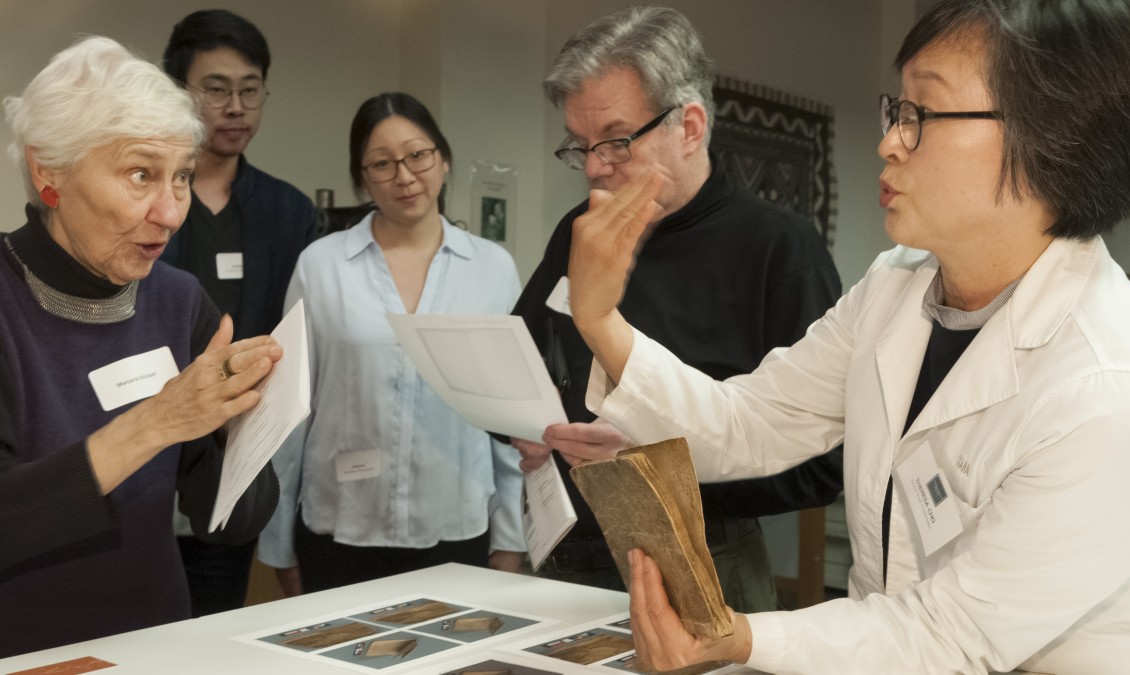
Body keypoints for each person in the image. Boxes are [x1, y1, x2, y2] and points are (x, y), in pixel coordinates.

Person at [559, 0, 1130, 672]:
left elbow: (952, 634)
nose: (889, 140)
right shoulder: (894, 288)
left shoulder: (1102, 383)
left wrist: (744, 638)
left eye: (922, 115)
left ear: (1047, 138)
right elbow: (750, 422)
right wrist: (600, 320)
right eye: (899, 110)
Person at [0, 37, 282, 674]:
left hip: (145, 647)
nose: (171, 211)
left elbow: (230, 525)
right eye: (141, 174)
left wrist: (245, 422)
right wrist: (161, 422)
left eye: (182, 176)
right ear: (49, 172)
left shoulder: (180, 301)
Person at [511, 5, 843, 612]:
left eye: (614, 141)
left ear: (689, 126)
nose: (592, 168)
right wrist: (522, 425)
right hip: (568, 552)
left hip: (704, 560)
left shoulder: (778, 249)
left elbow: (823, 467)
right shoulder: (579, 231)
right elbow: (524, 355)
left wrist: (655, 470)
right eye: (580, 146)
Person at [258, 92, 526, 596]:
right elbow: (288, 415)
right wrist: (278, 544)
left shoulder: (493, 269)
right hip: (341, 526)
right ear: (361, 178)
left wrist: (512, 536)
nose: (404, 176)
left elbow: (510, 419)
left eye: (418, 155)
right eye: (381, 164)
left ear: (444, 159)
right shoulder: (321, 265)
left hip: (456, 527)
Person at [160, 8, 316, 618]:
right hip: (146, 450)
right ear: (180, 93)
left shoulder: (287, 211)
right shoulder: (150, 203)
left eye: (250, 91)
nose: (236, 107)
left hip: (237, 454)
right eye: (217, 89)